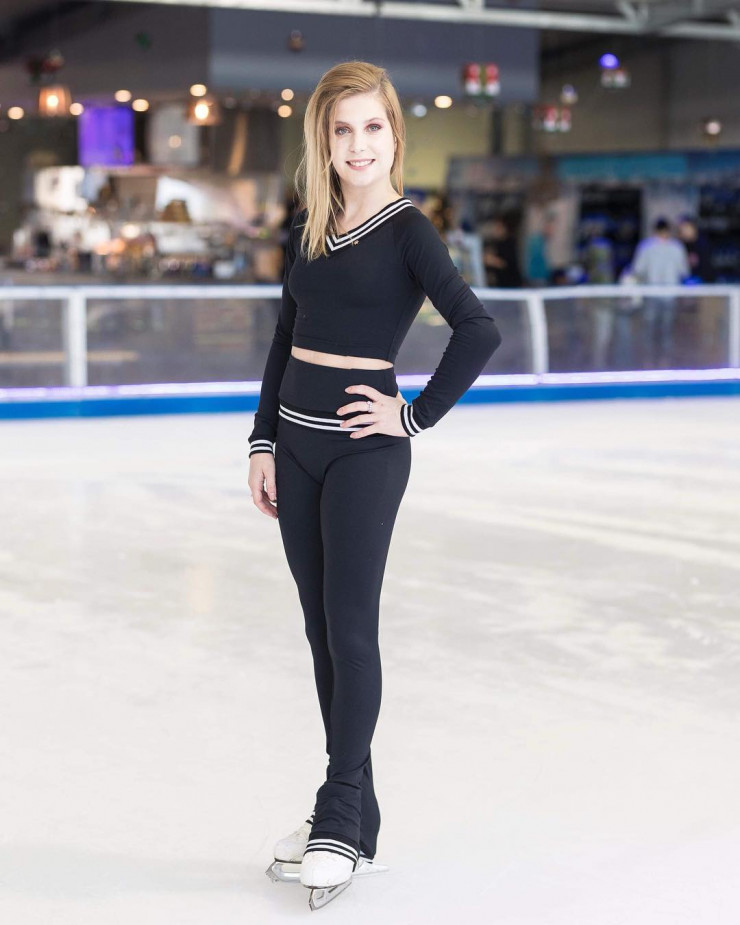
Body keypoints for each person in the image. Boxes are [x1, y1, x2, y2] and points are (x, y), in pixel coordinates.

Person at [247, 60, 502, 910]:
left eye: (373, 127)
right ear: (323, 140)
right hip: (295, 448)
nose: (358, 144)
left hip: (364, 455)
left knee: (351, 631)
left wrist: (413, 415)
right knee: (320, 634)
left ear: (395, 133)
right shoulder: (314, 225)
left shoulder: (408, 230)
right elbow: (284, 338)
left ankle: (336, 808)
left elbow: (478, 329)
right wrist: (261, 440)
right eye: (342, 129)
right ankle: (357, 820)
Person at [631, 218, 690, 367]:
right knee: (664, 331)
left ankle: (650, 362)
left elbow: (638, 270)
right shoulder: (676, 247)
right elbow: (684, 271)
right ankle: (663, 362)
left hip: (654, 294)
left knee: (652, 331)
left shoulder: (646, 247)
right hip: (666, 294)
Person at [483, 217, 523, 288]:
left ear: (505, 228)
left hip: (512, 285)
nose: (495, 231)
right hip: (501, 284)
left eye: (498, 228)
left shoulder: (510, 243)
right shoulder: (495, 243)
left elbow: (506, 263)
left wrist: (491, 260)